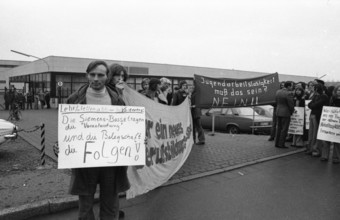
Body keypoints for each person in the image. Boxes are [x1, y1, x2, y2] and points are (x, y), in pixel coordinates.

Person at [66, 60, 129, 219]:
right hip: (85, 162)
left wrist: (136, 143)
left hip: (111, 162)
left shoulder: (117, 101)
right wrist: (62, 145)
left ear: (107, 77)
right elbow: (67, 128)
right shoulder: (74, 99)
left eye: (100, 75)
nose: (95, 78)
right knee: (85, 206)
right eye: (92, 74)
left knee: (110, 205)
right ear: (87, 75)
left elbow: (125, 130)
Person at [307, 84, 329, 157]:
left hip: (317, 116)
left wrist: (312, 105)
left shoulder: (324, 96)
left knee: (315, 134)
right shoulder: (316, 96)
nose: (313, 89)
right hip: (313, 115)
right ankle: (310, 149)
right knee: (311, 133)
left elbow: (313, 105)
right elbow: (310, 104)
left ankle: (316, 150)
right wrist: (312, 105)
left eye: (314, 88)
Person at [275, 81, 294, 148]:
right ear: (288, 86)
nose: (292, 87)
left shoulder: (278, 92)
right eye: (291, 86)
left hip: (278, 111)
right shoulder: (288, 94)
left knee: (279, 128)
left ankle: (276, 143)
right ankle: (281, 143)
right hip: (285, 113)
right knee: (284, 129)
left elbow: (276, 101)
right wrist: (292, 111)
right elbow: (291, 104)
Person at [327, 85, 340, 164]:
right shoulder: (332, 99)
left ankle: (337, 157)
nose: (339, 92)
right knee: (335, 139)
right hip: (334, 122)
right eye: (338, 90)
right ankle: (335, 157)